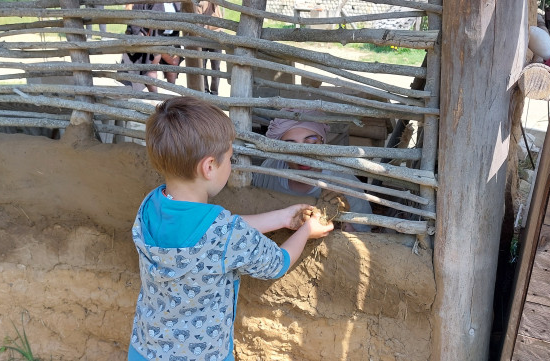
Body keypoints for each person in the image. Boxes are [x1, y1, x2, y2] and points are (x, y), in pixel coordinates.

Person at [128, 97, 333, 361]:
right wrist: (306, 231)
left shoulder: (151, 205)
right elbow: (277, 263)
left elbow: (219, 230)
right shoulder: (225, 233)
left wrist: (281, 218)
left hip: (145, 348)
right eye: (230, 158)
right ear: (209, 167)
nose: (232, 165)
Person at [251, 112, 373, 232]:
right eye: (290, 146)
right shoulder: (270, 170)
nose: (302, 155)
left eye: (311, 143)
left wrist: (341, 221)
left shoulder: (344, 182)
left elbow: (364, 239)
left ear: (322, 141)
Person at [120, 3, 182, 92]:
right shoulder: (152, 2)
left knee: (174, 63)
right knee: (153, 63)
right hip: (154, 36)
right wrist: (139, 33)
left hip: (171, 37)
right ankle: (154, 95)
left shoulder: (176, 3)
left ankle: (171, 90)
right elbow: (137, 11)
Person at [196, 0, 223, 95]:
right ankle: (205, 90)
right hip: (201, 35)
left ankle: (214, 92)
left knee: (215, 66)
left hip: (215, 34)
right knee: (202, 65)